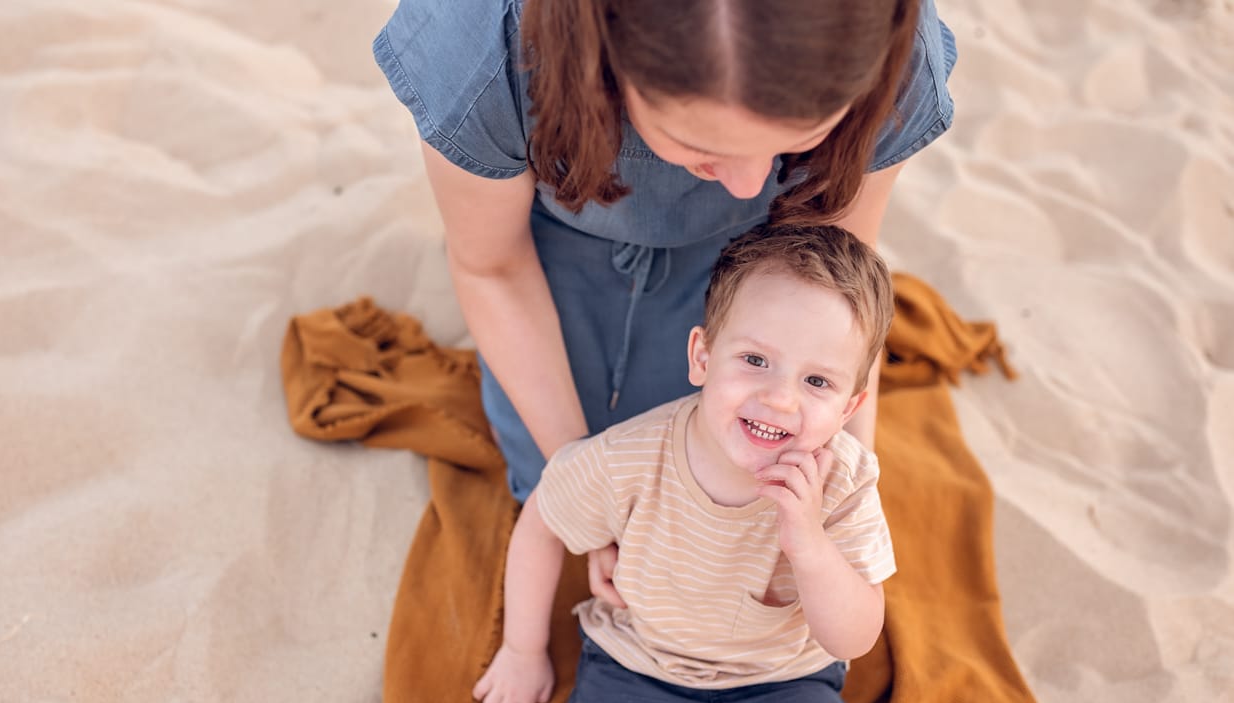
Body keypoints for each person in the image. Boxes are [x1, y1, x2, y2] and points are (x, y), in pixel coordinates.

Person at [373, 0, 955, 507]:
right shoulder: (483, 43)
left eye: (798, 139)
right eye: (702, 147)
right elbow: (493, 267)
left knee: (730, 482)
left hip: (769, 248)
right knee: (559, 478)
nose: (749, 183)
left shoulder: (887, 39)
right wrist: (581, 476)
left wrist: (848, 487)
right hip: (550, 244)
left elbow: (837, 283)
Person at [472, 222, 898, 703]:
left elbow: (854, 635)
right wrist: (523, 650)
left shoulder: (843, 480)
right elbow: (543, 521)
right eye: (754, 360)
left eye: (817, 380)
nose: (779, 398)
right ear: (702, 356)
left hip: (784, 683)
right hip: (641, 669)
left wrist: (808, 541)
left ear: (850, 406)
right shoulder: (630, 457)